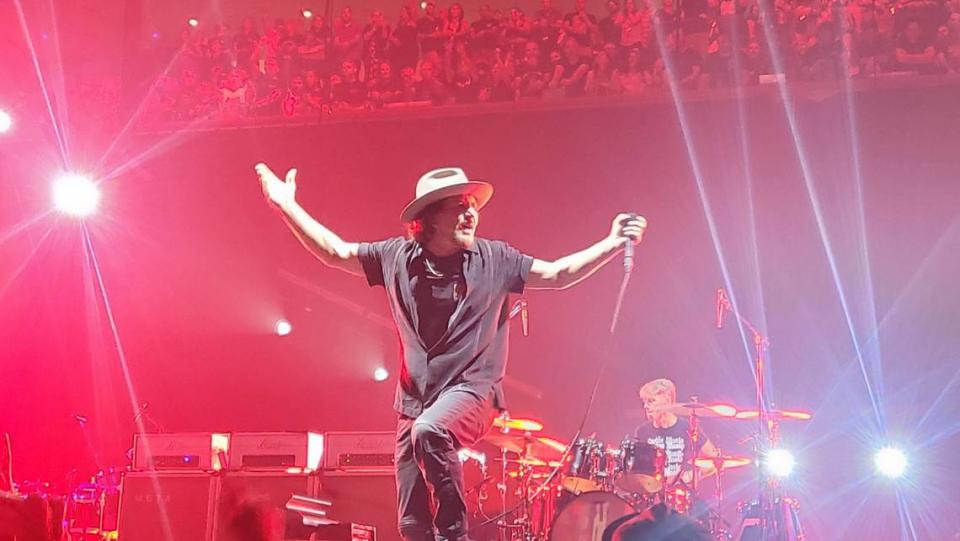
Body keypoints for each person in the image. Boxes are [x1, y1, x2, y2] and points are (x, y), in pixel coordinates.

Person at [255, 164, 647, 541]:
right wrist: (286, 206)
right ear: (428, 219)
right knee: (411, 522)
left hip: (474, 393)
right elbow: (335, 252)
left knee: (432, 431)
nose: (470, 212)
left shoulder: (496, 259)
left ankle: (454, 536)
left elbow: (559, 274)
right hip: (415, 403)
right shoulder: (396, 258)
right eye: (458, 206)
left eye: (472, 205)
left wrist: (611, 243)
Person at [635, 378, 720, 486]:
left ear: (667, 400)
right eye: (644, 402)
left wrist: (691, 475)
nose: (646, 406)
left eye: (651, 401)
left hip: (682, 496)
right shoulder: (642, 431)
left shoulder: (687, 427)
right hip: (653, 495)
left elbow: (714, 459)